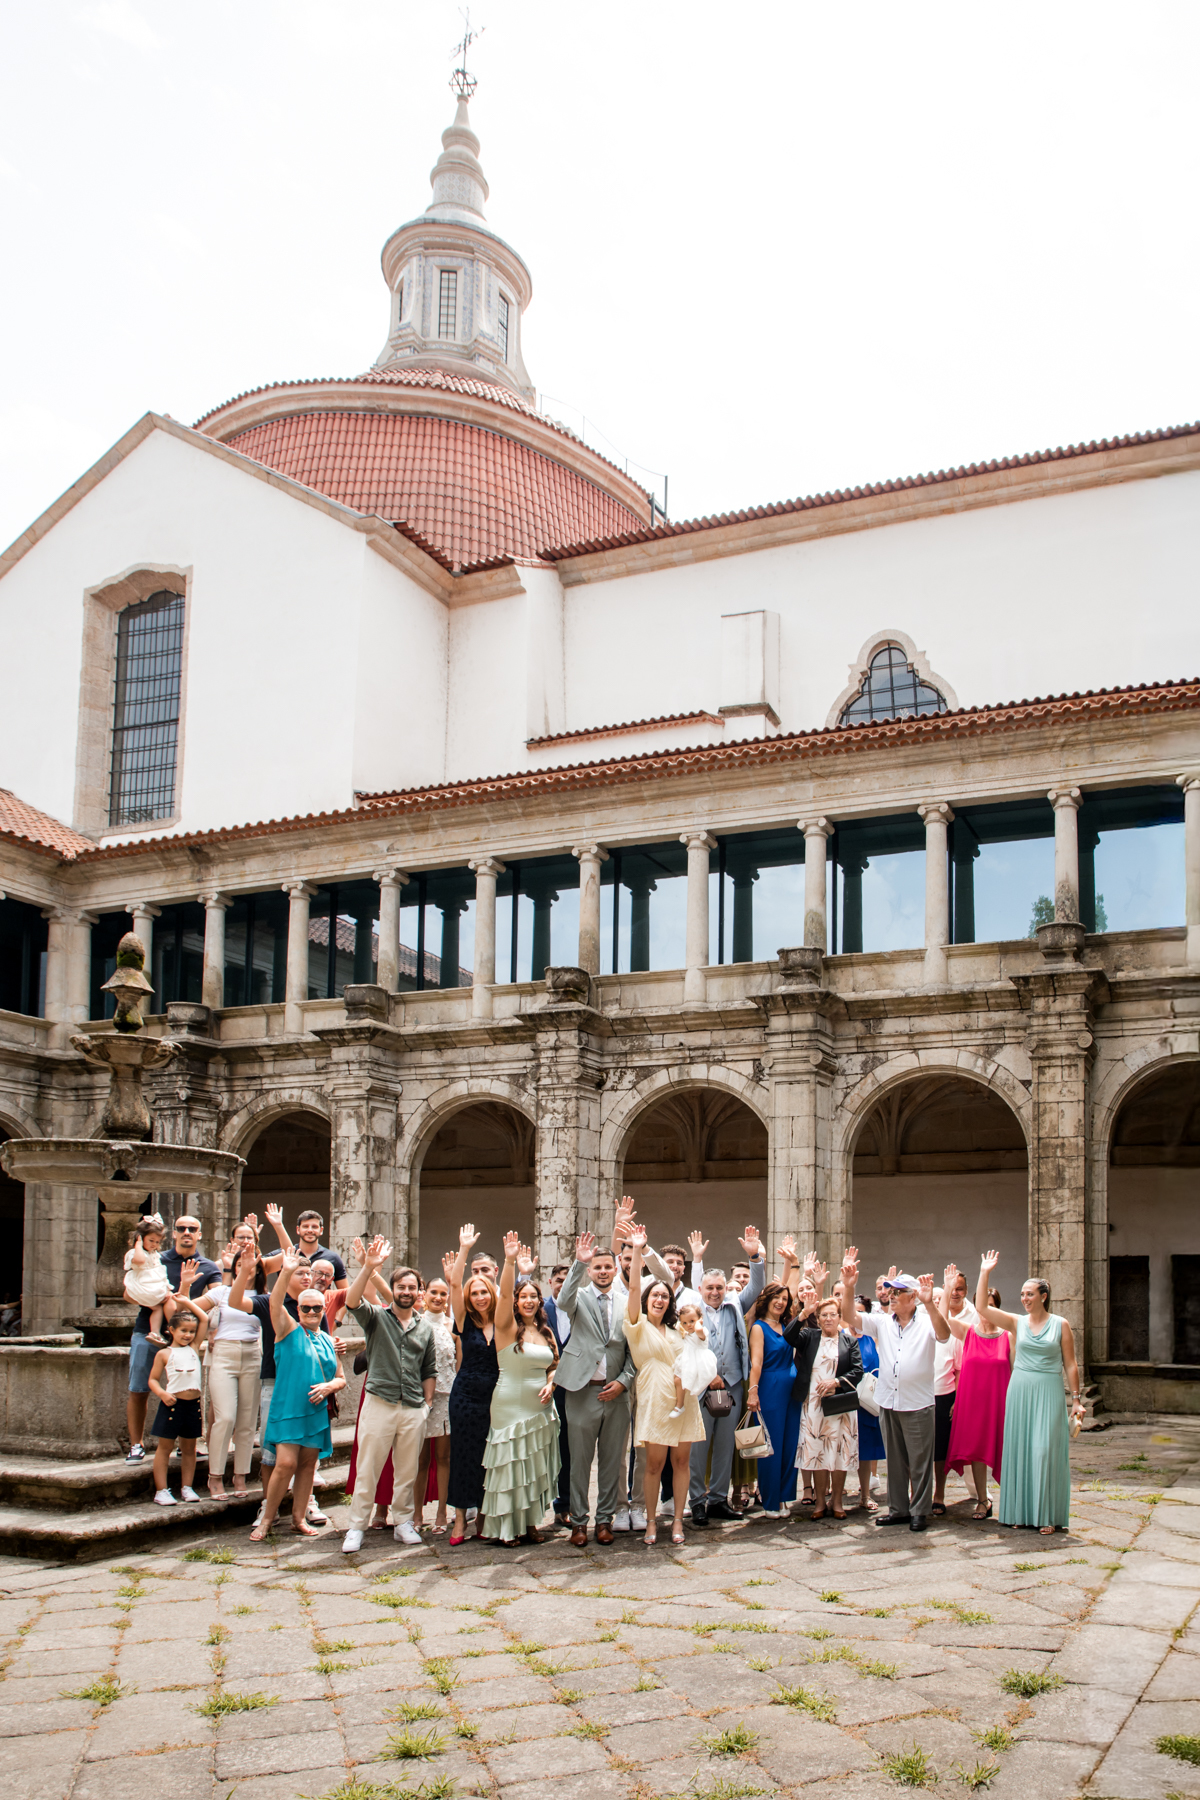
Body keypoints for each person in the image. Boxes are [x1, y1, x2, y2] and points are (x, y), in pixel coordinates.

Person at [838, 1247, 950, 1533]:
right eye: (891, 1291)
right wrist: (849, 1287)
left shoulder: (926, 1320)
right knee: (896, 1461)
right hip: (888, 1400)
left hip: (918, 1402)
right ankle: (899, 1509)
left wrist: (930, 1303)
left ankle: (920, 1511)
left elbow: (944, 1334)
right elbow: (850, 1316)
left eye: (898, 1292)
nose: (892, 1295)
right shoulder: (882, 1322)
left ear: (913, 1297)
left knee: (919, 1462)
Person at [976, 1251, 1083, 1534]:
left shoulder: (1061, 1324)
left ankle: (1047, 1515)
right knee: (1020, 1449)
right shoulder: (1016, 1322)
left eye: (1030, 1294)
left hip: (1049, 1391)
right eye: (1022, 1294)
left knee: (1044, 1451)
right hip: (1020, 1390)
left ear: (1043, 1296)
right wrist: (985, 1272)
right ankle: (1020, 1513)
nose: (1024, 1298)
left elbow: (1071, 1364)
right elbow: (982, 1308)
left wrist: (1076, 1400)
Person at [341, 1237, 436, 1552]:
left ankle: (404, 1522)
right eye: (401, 1287)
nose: (406, 1292)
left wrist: (427, 1405)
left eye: (412, 1287)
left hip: (412, 1407)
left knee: (406, 1470)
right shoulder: (377, 1317)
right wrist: (368, 1267)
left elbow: (429, 1369)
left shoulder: (424, 1328)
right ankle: (356, 1526)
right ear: (393, 1289)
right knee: (368, 1467)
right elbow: (352, 1302)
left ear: (419, 1292)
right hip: (380, 1402)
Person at [226, 1245, 331, 1528]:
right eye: (300, 1273)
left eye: (309, 1273)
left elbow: (324, 1344)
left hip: (311, 1387)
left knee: (308, 1451)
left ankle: (307, 1503)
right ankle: (268, 1506)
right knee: (272, 1453)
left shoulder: (316, 1305)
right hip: (275, 1381)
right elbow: (235, 1302)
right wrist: (245, 1272)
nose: (307, 1277)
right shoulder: (269, 1302)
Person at [251, 1250, 345, 1540]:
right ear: (299, 1310)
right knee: (285, 1464)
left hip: (316, 1411)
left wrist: (330, 1387)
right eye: (306, 1308)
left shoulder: (328, 1340)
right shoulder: (287, 1330)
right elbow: (275, 1303)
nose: (312, 1312)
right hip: (289, 1407)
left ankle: (298, 1519)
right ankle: (268, 1519)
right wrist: (285, 1272)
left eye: (317, 1308)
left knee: (306, 1467)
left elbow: (340, 1378)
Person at [623, 1227, 704, 1547]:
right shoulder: (637, 1325)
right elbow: (633, 1287)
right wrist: (638, 1251)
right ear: (646, 1300)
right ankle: (651, 1521)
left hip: (684, 1401)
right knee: (654, 1465)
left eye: (665, 1296)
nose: (660, 1299)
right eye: (654, 1295)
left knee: (681, 1463)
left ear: (671, 1301)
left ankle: (678, 1521)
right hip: (655, 1399)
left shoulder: (678, 1329)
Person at [555, 1231, 636, 1546]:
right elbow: (562, 1301)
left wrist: (624, 1381)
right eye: (597, 1267)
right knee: (579, 1461)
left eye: (607, 1267)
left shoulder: (628, 1301)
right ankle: (578, 1522)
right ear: (590, 1271)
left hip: (616, 1392)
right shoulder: (579, 1297)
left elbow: (634, 1348)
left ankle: (604, 1521)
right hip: (582, 1390)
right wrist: (578, 1262)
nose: (602, 1271)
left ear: (616, 1269)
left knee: (612, 1462)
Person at [480, 1234, 560, 1544]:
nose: (528, 1301)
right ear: (516, 1301)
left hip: (540, 1406)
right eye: (523, 1296)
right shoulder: (506, 1327)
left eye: (533, 1297)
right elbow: (502, 1295)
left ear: (540, 1301)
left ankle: (528, 1523)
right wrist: (510, 1261)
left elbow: (554, 1366)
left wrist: (551, 1384)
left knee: (532, 1466)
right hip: (510, 1402)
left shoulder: (545, 1332)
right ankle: (505, 1528)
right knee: (510, 1464)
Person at [125, 1214, 222, 1467]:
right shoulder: (156, 1257)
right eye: (181, 1228)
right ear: (175, 1233)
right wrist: (156, 1298)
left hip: (186, 1339)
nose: (187, 1232)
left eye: (192, 1228)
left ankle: (185, 1444)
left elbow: (218, 1301)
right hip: (147, 1332)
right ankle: (136, 1445)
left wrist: (208, 1327)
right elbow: (127, 1293)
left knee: (187, 1392)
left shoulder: (208, 1266)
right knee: (139, 1389)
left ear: (200, 1234)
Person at [688, 1226, 765, 1527]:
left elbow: (756, 1287)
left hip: (732, 1385)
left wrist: (755, 1257)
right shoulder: (692, 1311)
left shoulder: (735, 1305)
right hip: (702, 1389)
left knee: (724, 1445)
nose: (715, 1292)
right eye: (710, 1288)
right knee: (699, 1446)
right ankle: (697, 1501)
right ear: (701, 1289)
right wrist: (697, 1260)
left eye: (719, 1287)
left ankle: (718, 1499)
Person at [193, 1243, 263, 1499]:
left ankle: (240, 1475)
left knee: (247, 1420)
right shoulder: (222, 1292)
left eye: (251, 1264)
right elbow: (187, 1306)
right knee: (225, 1418)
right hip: (223, 1353)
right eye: (240, 1264)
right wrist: (206, 1327)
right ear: (233, 1268)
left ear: (258, 1269)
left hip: (252, 1353)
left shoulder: (263, 1296)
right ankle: (215, 1476)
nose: (245, 1267)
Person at [944, 1262, 1011, 1520]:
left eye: (991, 1306)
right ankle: (983, 1500)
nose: (986, 1311)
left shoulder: (1008, 1336)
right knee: (977, 1453)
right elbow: (942, 1320)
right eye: (983, 1306)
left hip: (1000, 1403)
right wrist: (947, 1288)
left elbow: (1015, 1370)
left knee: (1005, 1451)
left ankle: (1013, 1502)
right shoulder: (968, 1332)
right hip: (974, 1404)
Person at [447, 1223, 500, 1546]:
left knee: (488, 1457)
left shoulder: (503, 1321)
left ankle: (482, 1515)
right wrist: (464, 1249)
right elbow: (455, 1282)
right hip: (465, 1396)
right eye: (475, 1292)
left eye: (484, 1292)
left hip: (496, 1396)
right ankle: (458, 1519)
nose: (480, 1297)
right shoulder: (463, 1320)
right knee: (463, 1455)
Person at [790, 1296, 863, 1518]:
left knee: (840, 1453)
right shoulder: (809, 1337)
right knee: (817, 1452)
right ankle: (820, 1502)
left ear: (839, 1317)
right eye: (824, 1315)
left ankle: (837, 1501)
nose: (829, 1318)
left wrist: (837, 1382)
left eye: (833, 1314)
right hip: (814, 1405)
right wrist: (803, 1313)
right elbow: (789, 1336)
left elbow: (858, 1370)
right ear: (818, 1318)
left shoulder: (849, 1341)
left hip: (840, 1405)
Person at [746, 1278, 801, 1519]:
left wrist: (794, 1264)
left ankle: (784, 1497)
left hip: (792, 1390)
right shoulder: (759, 1327)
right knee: (771, 1445)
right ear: (767, 1299)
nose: (780, 1302)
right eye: (776, 1297)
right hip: (770, 1387)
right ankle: (769, 1500)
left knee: (790, 1445)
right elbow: (756, 1363)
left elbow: (796, 1295)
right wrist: (753, 1391)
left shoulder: (788, 1324)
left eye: (784, 1299)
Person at [147, 1299, 209, 1505]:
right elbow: (152, 1379)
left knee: (189, 1448)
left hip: (193, 1406)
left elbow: (204, 1318)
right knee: (165, 1448)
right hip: (172, 1405)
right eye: (183, 1330)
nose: (188, 1335)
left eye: (191, 1331)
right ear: (171, 1330)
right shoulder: (164, 1353)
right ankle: (161, 1490)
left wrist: (185, 1301)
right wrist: (162, 1394)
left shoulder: (194, 1348)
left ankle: (187, 1487)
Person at [931, 1264, 978, 1516]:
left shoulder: (964, 1324)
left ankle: (950, 1493)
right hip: (921, 1395)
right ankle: (919, 1494)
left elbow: (959, 1368)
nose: (955, 1293)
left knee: (946, 1448)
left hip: (951, 1392)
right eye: (934, 1300)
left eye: (960, 1289)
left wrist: (957, 1399)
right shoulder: (920, 1327)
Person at [415, 1273, 456, 1534]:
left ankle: (442, 1512)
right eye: (434, 1292)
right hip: (419, 1398)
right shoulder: (415, 1322)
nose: (438, 1297)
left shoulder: (453, 1325)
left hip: (446, 1398)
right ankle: (416, 1513)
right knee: (420, 1460)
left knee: (443, 1457)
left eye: (443, 1293)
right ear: (424, 1295)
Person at [848, 1293, 885, 1511]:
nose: (856, 1316)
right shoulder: (841, 1336)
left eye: (860, 1311)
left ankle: (865, 1495)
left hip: (867, 1403)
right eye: (852, 1311)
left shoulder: (874, 1337)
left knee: (866, 1450)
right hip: (846, 1400)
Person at [544, 1263, 572, 1527]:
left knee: (568, 1449)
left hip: (574, 1388)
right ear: (550, 1282)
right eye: (559, 1279)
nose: (563, 1284)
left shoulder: (580, 1308)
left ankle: (565, 1505)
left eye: (567, 1279)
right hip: (543, 1388)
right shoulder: (539, 1308)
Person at [123, 1215, 171, 1344]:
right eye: (151, 1240)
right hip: (142, 1286)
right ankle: (158, 1331)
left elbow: (160, 1272)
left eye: (157, 1242)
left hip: (152, 1286)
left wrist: (166, 1287)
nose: (154, 1244)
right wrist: (138, 1244)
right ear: (141, 1237)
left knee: (158, 1307)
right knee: (158, 1307)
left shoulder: (154, 1255)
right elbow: (140, 1261)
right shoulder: (135, 1253)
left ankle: (155, 1332)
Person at [669, 1306, 716, 1416]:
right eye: (685, 1323)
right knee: (678, 1380)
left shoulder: (701, 1332)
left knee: (681, 1380)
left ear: (700, 1319)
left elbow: (698, 1330)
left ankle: (679, 1405)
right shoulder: (687, 1334)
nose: (689, 1325)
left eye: (692, 1321)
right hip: (688, 1360)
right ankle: (680, 1404)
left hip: (697, 1362)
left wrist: (698, 1323)